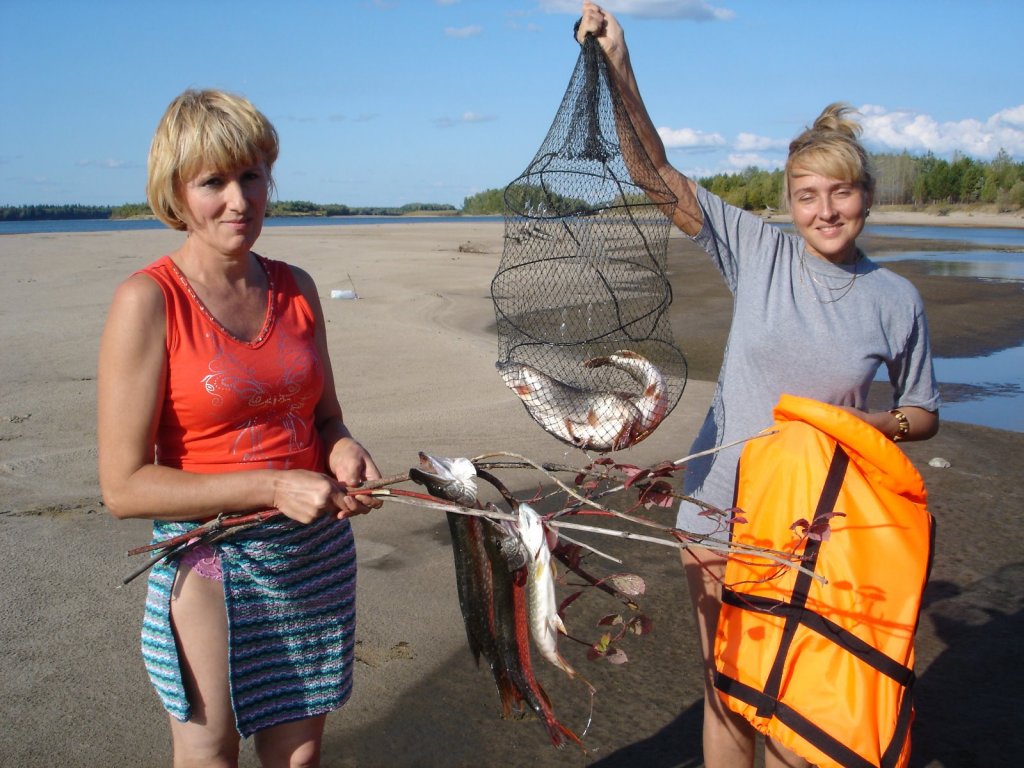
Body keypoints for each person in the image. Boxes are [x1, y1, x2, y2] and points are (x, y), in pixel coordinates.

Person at [575, 5, 940, 767]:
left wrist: (879, 427)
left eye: (840, 194)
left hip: (820, 526)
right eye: (808, 195)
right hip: (720, 506)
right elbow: (651, 172)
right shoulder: (758, 253)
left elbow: (923, 411)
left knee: (793, 700)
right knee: (729, 688)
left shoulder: (896, 298)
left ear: (866, 196)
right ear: (789, 202)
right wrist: (619, 58)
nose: (825, 211)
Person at [98, 88, 382, 768]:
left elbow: (325, 416)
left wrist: (343, 449)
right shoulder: (149, 302)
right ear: (175, 192)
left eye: (251, 176)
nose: (239, 200)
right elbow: (124, 487)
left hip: (313, 555)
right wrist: (272, 485)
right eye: (213, 182)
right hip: (214, 560)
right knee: (208, 754)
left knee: (298, 759)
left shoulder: (297, 286)